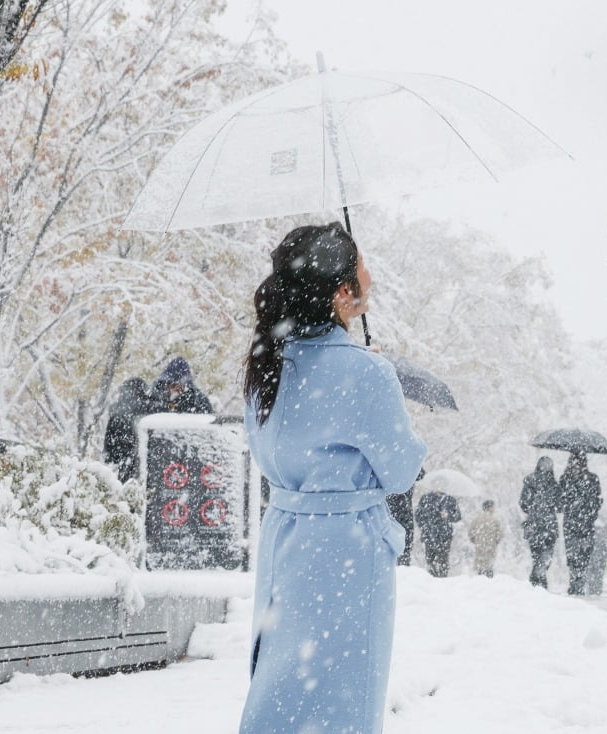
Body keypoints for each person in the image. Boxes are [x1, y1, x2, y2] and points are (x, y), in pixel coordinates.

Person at [238, 223, 427, 734]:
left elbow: (266, 446)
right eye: (362, 265)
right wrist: (374, 380)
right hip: (346, 550)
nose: (371, 274)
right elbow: (401, 470)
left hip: (285, 539)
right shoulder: (365, 372)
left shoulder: (266, 362)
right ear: (344, 292)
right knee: (342, 694)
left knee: (282, 683)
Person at [559, 450, 603, 595]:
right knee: (573, 555)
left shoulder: (592, 479)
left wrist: (589, 509)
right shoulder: (565, 479)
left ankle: (578, 581)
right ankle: (575, 582)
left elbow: (597, 499)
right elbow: (561, 501)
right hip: (573, 523)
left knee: (583, 554)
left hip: (585, 524)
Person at [102, 377, 157, 482]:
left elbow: (109, 442)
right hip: (144, 460)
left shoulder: (118, 412)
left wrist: (112, 457)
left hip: (124, 460)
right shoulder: (148, 409)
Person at [520, 457, 561, 587]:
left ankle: (537, 578)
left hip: (534, 524)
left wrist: (533, 510)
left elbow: (523, 503)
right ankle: (539, 577)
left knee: (536, 554)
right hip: (549, 525)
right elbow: (559, 506)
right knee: (546, 554)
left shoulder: (530, 481)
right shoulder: (554, 485)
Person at [416, 489, 462, 577]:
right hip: (429, 534)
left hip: (445, 535)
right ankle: (432, 577)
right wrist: (425, 526)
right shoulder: (426, 498)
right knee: (430, 558)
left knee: (443, 558)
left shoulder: (450, 499)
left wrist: (449, 515)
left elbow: (458, 516)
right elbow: (418, 516)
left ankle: (443, 577)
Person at [386, 468, 424, 566]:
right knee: (403, 539)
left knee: (403, 540)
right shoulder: (407, 463)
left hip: (396, 508)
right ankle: (401, 564)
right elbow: (420, 473)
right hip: (398, 507)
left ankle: (402, 565)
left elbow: (421, 474)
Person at [467, 499, 504, 578]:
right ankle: (488, 581)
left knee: (480, 566)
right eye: (493, 507)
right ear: (490, 508)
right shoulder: (495, 520)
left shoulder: (476, 519)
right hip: (491, 546)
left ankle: (480, 579)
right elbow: (500, 534)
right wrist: (496, 541)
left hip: (479, 546)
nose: (494, 509)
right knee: (489, 566)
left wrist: (475, 541)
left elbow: (470, 533)